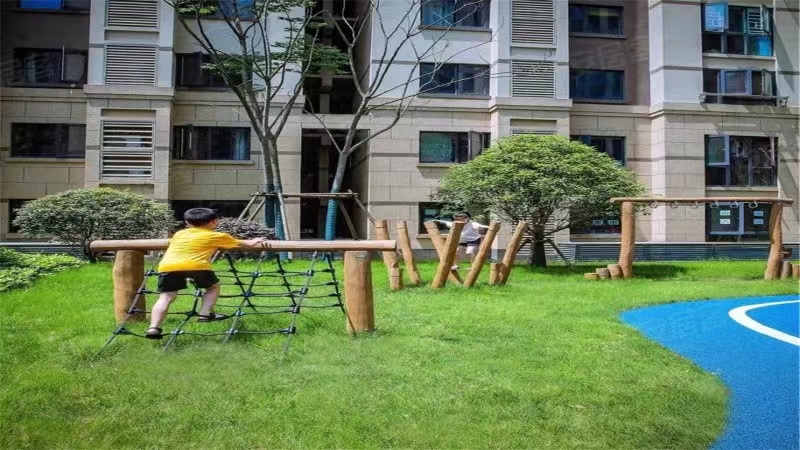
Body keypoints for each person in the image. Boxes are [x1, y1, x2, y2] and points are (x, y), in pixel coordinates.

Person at [145, 208, 268, 339]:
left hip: (168, 266)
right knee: (213, 287)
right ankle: (204, 314)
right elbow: (246, 244)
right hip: (197, 266)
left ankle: (153, 327)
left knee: (166, 297)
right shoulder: (216, 236)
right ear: (214, 222)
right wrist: (255, 240)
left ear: (187, 222)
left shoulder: (180, 234)